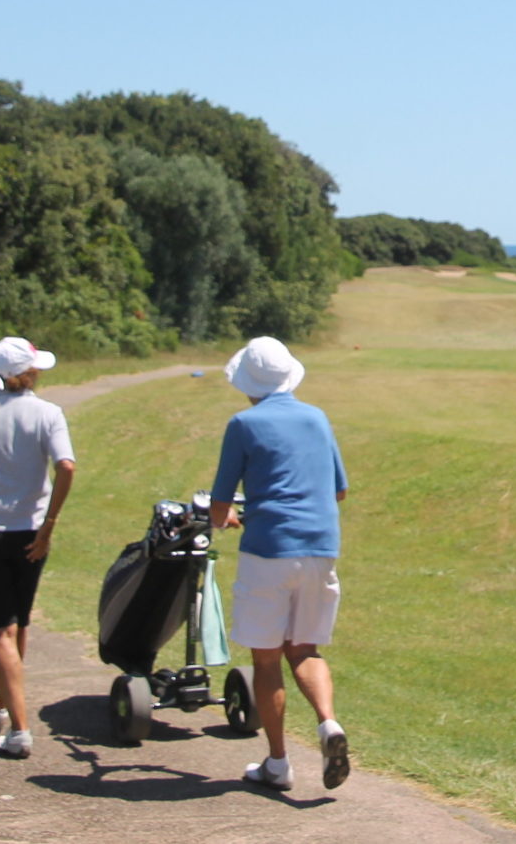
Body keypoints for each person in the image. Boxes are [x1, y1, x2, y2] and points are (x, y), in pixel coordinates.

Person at [209, 335, 352, 792]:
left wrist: (231, 516)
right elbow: (339, 490)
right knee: (305, 649)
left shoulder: (243, 424)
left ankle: (278, 763)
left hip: (270, 549)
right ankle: (329, 724)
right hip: (321, 546)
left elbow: (218, 507)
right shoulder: (317, 417)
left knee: (267, 660)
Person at [0, 336, 75, 759]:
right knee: (17, 623)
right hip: (30, 530)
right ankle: (5, 707)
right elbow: (66, 466)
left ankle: (18, 727)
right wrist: (50, 523)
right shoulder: (48, 414)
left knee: (2, 628)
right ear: (27, 372)